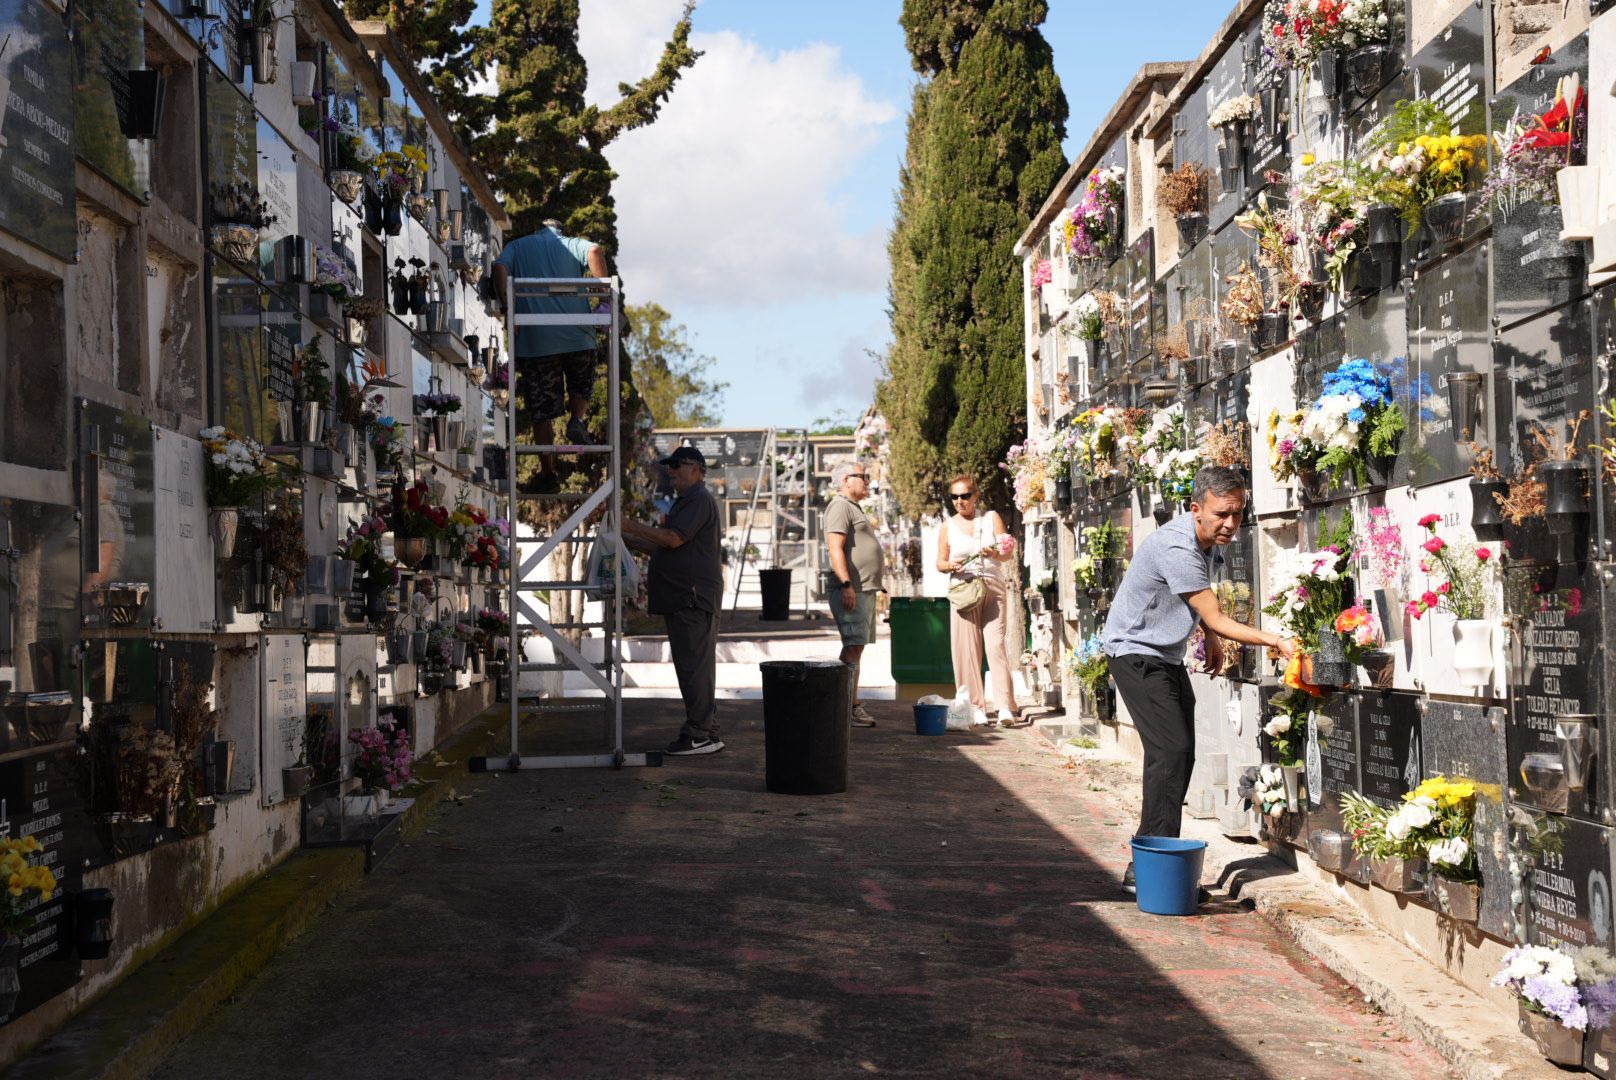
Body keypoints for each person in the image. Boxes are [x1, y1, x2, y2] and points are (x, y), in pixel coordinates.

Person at [1102, 466, 1299, 895]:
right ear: (1196, 509)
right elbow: (1215, 613)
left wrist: (1206, 635)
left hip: (1163, 653)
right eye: (1221, 514)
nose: (1231, 523)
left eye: (1239, 513)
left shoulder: (1208, 541)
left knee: (1180, 753)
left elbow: (1200, 603)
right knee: (1169, 751)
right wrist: (1275, 640)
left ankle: (1156, 855)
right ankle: (1150, 861)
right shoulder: (1177, 545)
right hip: (1135, 652)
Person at [491, 218, 610, 494]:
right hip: (578, 335)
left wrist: (509, 309)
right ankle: (577, 420)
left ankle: (548, 473)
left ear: (538, 230)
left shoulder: (518, 246)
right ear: (561, 230)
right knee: (582, 382)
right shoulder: (572, 244)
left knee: (542, 410)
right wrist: (605, 299)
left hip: (536, 341)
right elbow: (595, 252)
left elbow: (499, 268)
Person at [621, 446, 725, 756]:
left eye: (677, 465)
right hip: (683, 597)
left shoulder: (698, 500)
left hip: (691, 598)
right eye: (670, 466)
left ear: (696, 469)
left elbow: (673, 539)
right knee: (693, 666)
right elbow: (667, 548)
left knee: (694, 666)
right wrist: (629, 540)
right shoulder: (686, 502)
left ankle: (698, 734)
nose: (671, 470)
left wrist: (630, 526)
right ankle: (707, 729)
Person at [936, 475, 1022, 727]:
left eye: (965, 496)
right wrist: (950, 565)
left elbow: (1007, 554)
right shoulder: (947, 526)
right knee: (966, 651)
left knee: (995, 645)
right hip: (964, 590)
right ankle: (974, 707)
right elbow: (939, 562)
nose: (959, 501)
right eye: (954, 497)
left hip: (993, 588)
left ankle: (1004, 707)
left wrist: (994, 552)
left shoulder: (990, 518)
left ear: (976, 496)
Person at [823, 460, 883, 728]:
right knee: (852, 647)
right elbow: (835, 548)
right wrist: (846, 584)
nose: (868, 481)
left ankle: (846, 704)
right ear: (847, 479)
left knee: (855, 648)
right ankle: (847, 707)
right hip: (852, 590)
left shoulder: (852, 507)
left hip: (862, 590)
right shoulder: (839, 506)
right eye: (864, 476)